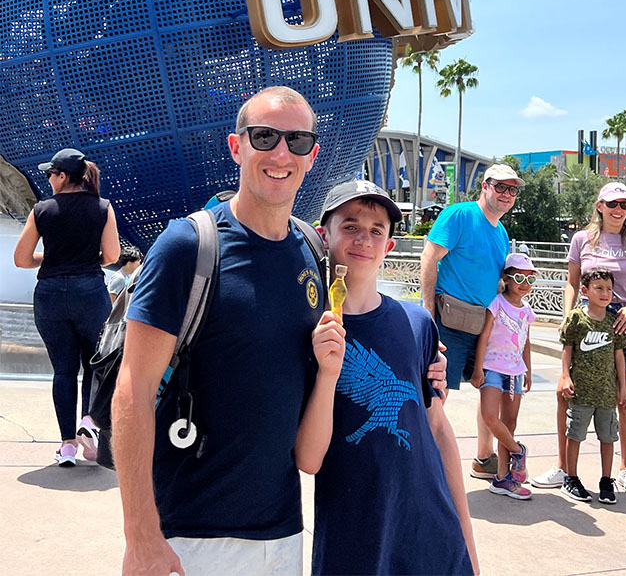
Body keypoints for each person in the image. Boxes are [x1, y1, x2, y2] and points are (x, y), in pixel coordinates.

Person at [111, 86, 445, 576]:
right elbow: (132, 390)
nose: (281, 153)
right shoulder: (189, 246)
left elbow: (348, 334)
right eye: (265, 136)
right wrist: (141, 536)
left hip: (282, 533)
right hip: (190, 535)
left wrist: (423, 360)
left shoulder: (311, 251)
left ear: (312, 155)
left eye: (297, 140)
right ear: (236, 146)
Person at [296, 180, 479, 575]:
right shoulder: (308, 330)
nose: (364, 238)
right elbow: (309, 460)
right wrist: (328, 374)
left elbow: (436, 428)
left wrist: (466, 535)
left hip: (432, 533)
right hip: (356, 537)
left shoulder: (417, 323)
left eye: (377, 230)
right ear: (323, 235)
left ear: (389, 247)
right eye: (349, 226)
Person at [532, 182, 626, 497]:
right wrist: (567, 315)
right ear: (600, 205)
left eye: (625, 205)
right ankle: (564, 468)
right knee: (567, 392)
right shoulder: (582, 239)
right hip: (589, 320)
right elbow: (572, 283)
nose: (619, 210)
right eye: (613, 204)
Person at [14, 147, 120, 466]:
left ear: (62, 176)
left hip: (50, 295)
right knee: (94, 363)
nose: (48, 179)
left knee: (63, 370)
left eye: (51, 174)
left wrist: (52, 258)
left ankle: (68, 448)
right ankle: (88, 422)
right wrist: (84, 259)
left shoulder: (43, 210)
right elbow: (113, 255)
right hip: (90, 290)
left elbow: (21, 259)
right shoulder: (102, 207)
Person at [420, 163, 523, 482]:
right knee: (436, 393)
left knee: (488, 392)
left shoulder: (502, 234)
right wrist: (428, 316)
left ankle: (483, 457)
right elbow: (429, 258)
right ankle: (422, 463)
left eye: (512, 189)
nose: (506, 194)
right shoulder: (459, 215)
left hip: (482, 325)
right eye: (500, 187)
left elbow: (492, 282)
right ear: (485, 186)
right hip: (448, 319)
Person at [559, 269, 626, 504]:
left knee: (608, 437)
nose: (605, 293)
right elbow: (567, 348)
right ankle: (571, 478)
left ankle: (606, 480)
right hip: (580, 392)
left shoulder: (614, 322)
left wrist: (623, 390)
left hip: (607, 394)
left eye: (609, 289)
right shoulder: (577, 319)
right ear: (585, 291)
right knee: (575, 434)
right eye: (599, 288)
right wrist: (565, 376)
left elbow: (619, 357)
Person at [470, 253, 537, 500]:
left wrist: (527, 369)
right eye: (519, 277)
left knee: (508, 425)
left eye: (529, 279)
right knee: (490, 416)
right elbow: (484, 337)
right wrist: (478, 369)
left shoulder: (527, 311)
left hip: (516, 372)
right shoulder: (497, 303)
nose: (524, 283)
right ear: (507, 279)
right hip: (492, 369)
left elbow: (526, 341)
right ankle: (518, 450)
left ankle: (502, 479)